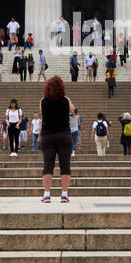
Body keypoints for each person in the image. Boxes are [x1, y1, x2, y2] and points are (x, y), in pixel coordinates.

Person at [40, 75, 75, 203]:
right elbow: (73, 111)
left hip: (48, 135)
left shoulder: (43, 100)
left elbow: (43, 114)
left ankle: (47, 194)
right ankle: (64, 194)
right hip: (64, 135)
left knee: (48, 165)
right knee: (65, 165)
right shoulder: (65, 100)